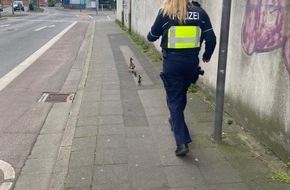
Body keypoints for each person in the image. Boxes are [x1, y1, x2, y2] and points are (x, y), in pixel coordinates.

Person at [147, 0, 216, 156]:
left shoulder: (165, 13)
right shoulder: (200, 13)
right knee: (180, 95)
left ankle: (181, 142)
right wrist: (207, 55)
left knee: (174, 100)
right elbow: (211, 39)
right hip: (191, 65)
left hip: (172, 64)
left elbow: (151, 37)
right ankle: (174, 120)